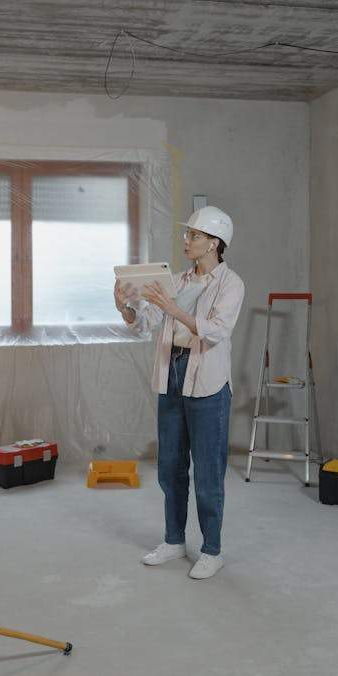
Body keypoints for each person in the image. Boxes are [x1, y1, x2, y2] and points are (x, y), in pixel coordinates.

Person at [114, 207, 244, 579]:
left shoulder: (231, 283)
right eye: (187, 235)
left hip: (208, 384)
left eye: (194, 236)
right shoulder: (179, 280)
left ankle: (212, 550)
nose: (186, 241)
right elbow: (149, 323)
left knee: (208, 472)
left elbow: (216, 330)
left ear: (214, 243)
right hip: (171, 377)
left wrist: (172, 308)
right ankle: (174, 541)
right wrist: (126, 306)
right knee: (170, 467)